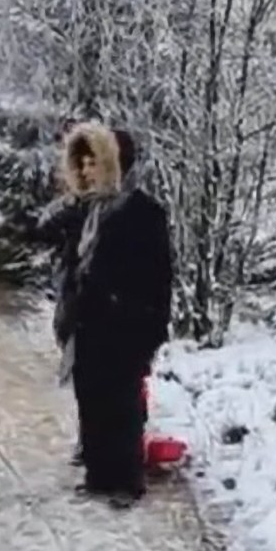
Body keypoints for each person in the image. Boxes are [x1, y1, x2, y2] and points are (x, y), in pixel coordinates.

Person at [60, 121, 173, 508]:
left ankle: (126, 480)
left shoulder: (142, 210)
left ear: (112, 163)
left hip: (127, 324)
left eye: (95, 162)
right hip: (88, 323)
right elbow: (72, 264)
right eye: (82, 164)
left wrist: (148, 323)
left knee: (122, 402)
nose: (88, 171)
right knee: (90, 398)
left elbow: (159, 274)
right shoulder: (84, 211)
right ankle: (98, 474)